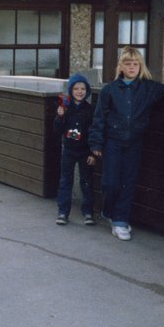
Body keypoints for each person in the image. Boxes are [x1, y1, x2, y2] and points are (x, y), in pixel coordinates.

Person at [88, 47, 164, 241]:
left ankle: (120, 222)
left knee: (128, 183)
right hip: (113, 142)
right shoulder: (110, 90)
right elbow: (99, 119)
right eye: (128, 64)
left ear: (141, 66)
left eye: (135, 64)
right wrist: (96, 143)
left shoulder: (148, 88)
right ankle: (108, 211)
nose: (132, 67)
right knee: (111, 183)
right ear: (121, 66)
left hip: (134, 144)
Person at [54, 73, 97, 226]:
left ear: (87, 91)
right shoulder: (65, 108)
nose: (80, 91)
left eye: (83, 89)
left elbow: (94, 132)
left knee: (86, 181)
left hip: (85, 151)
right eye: (76, 88)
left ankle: (88, 212)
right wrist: (60, 117)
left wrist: (93, 152)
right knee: (66, 181)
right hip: (69, 150)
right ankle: (63, 212)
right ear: (71, 91)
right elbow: (57, 130)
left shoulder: (91, 110)